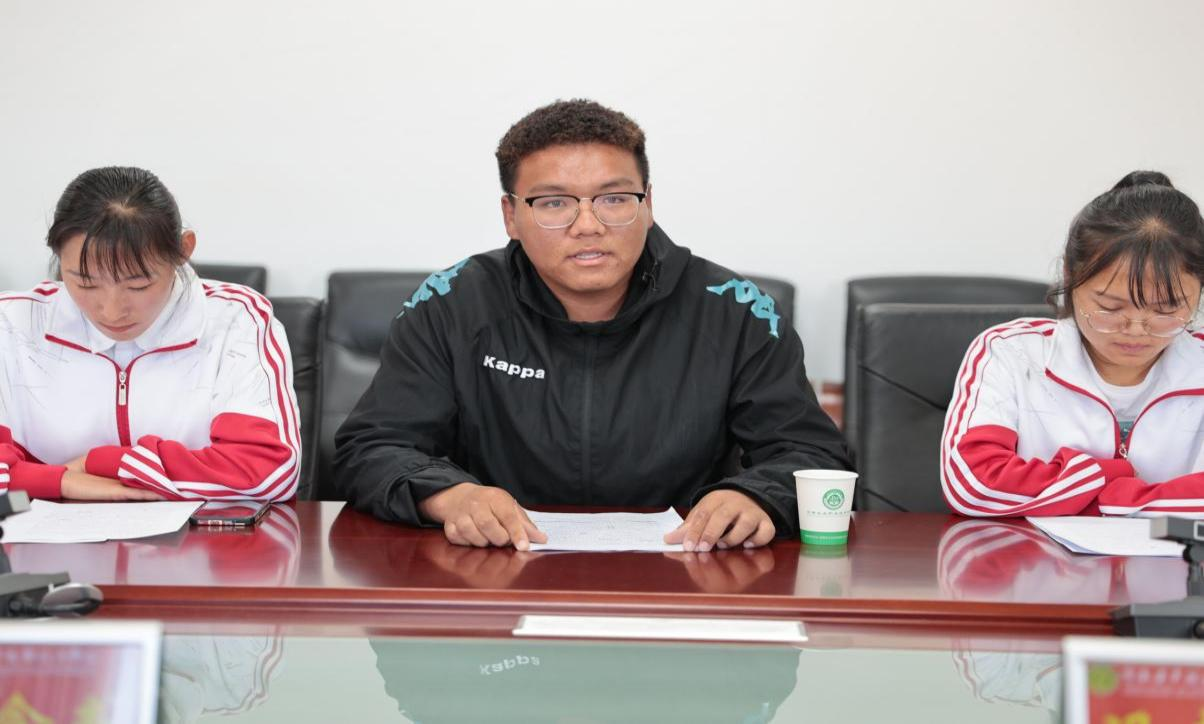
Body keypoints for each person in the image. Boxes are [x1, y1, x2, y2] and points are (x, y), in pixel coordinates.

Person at [335, 99, 850, 550]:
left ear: (648, 204)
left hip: (687, 573)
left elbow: (812, 453)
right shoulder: (451, 304)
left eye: (614, 199)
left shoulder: (735, 311)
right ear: (510, 215)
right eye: (554, 202)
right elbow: (372, 447)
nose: (588, 225)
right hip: (495, 571)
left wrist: (754, 495)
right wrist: (450, 496)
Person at [0, 166, 300, 502]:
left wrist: (103, 464)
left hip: (195, 535)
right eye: (85, 283)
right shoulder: (11, 324)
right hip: (40, 533)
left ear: (183, 250)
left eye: (138, 285)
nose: (112, 311)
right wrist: (63, 482)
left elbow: (269, 472)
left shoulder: (236, 320)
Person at [942, 171, 1204, 517]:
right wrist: (1112, 476)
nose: (1136, 329)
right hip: (1033, 552)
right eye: (1111, 307)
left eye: (1166, 309)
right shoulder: (1010, 353)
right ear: (1070, 276)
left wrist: (1115, 497)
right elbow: (973, 484)